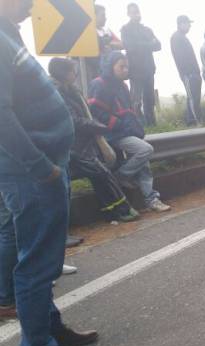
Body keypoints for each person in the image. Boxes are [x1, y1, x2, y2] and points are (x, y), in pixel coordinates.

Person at [0, 0, 98, 346]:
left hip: (41, 165)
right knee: (36, 265)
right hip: (32, 171)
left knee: (44, 259)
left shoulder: (11, 32)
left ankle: (50, 329)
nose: (29, 4)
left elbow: (74, 18)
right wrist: (41, 167)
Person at [49, 58, 140, 223]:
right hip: (72, 146)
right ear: (64, 73)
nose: (75, 74)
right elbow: (73, 120)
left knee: (100, 175)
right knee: (102, 174)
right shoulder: (57, 93)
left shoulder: (71, 91)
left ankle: (113, 211)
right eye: (72, 71)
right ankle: (122, 210)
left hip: (83, 143)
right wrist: (100, 126)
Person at [89, 51, 171, 213]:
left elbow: (129, 110)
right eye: (121, 66)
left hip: (126, 131)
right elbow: (94, 110)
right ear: (111, 66)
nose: (125, 70)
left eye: (127, 67)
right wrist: (116, 124)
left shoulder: (123, 86)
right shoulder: (99, 84)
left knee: (144, 162)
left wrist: (134, 126)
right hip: (111, 134)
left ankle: (151, 198)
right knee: (146, 150)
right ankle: (120, 177)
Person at [121, 3, 161, 127]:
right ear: (128, 14)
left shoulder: (146, 29)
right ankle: (137, 126)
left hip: (149, 69)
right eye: (133, 12)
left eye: (137, 11)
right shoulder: (125, 29)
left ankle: (152, 125)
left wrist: (141, 44)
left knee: (150, 99)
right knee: (136, 101)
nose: (136, 14)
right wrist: (148, 44)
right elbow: (130, 46)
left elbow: (158, 45)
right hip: (135, 70)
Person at [170, 15, 202, 126]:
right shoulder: (176, 37)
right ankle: (197, 122)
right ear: (181, 24)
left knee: (192, 97)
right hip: (188, 74)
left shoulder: (182, 37)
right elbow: (181, 58)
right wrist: (188, 73)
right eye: (188, 23)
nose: (189, 26)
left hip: (193, 73)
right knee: (193, 98)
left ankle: (191, 121)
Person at [85, 4, 123, 81]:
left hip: (110, 70)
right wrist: (108, 43)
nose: (105, 18)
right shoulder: (87, 31)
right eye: (102, 15)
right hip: (94, 70)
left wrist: (108, 44)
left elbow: (122, 45)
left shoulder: (107, 31)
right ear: (94, 16)